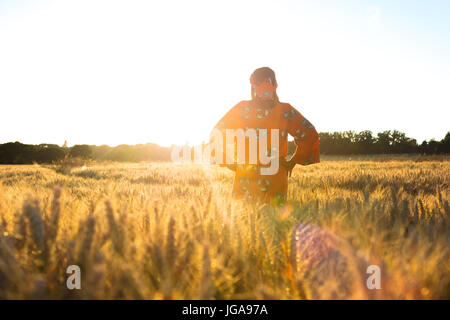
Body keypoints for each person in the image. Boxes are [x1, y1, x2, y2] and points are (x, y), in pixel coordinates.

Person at [210, 67, 319, 206]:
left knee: (244, 222)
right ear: (275, 86)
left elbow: (217, 133)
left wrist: (228, 161)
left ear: (253, 86)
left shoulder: (243, 109)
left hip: (246, 175)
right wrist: (293, 161)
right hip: (276, 175)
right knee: (275, 221)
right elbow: (310, 134)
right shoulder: (285, 110)